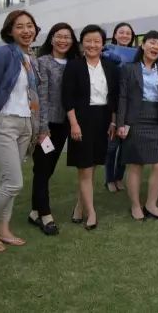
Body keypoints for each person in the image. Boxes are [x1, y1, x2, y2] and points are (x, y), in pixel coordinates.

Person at [0, 10, 41, 252]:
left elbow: (32, 95)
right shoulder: (3, 53)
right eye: (20, 26)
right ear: (10, 31)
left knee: (6, 180)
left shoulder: (30, 58)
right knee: (14, 183)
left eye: (30, 25)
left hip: (25, 123)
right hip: (4, 121)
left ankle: (3, 228)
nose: (26, 30)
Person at [62, 25, 119, 231]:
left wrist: (113, 121)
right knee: (84, 168)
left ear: (103, 44)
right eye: (88, 41)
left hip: (103, 120)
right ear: (82, 43)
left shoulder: (110, 67)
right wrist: (74, 124)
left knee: (92, 167)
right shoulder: (74, 66)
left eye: (97, 41)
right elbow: (67, 98)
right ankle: (91, 212)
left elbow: (113, 97)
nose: (93, 45)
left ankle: (79, 207)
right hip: (81, 120)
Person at [28, 23, 80, 236]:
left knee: (47, 169)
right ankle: (45, 215)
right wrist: (42, 128)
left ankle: (34, 212)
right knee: (42, 168)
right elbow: (41, 97)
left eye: (67, 37)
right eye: (59, 36)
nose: (63, 40)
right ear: (51, 39)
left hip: (65, 124)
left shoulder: (75, 63)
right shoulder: (43, 62)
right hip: (47, 126)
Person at [117, 30, 158, 221]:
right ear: (142, 45)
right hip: (135, 120)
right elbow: (122, 97)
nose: (155, 47)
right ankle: (135, 205)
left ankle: (151, 204)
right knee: (136, 164)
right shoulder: (129, 68)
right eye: (152, 42)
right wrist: (122, 123)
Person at [103, 22, 136, 193]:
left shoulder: (137, 54)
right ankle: (109, 179)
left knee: (125, 146)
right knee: (112, 146)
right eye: (121, 32)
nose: (124, 35)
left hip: (130, 106)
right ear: (115, 35)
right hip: (113, 106)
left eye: (128, 33)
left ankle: (119, 177)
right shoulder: (107, 52)